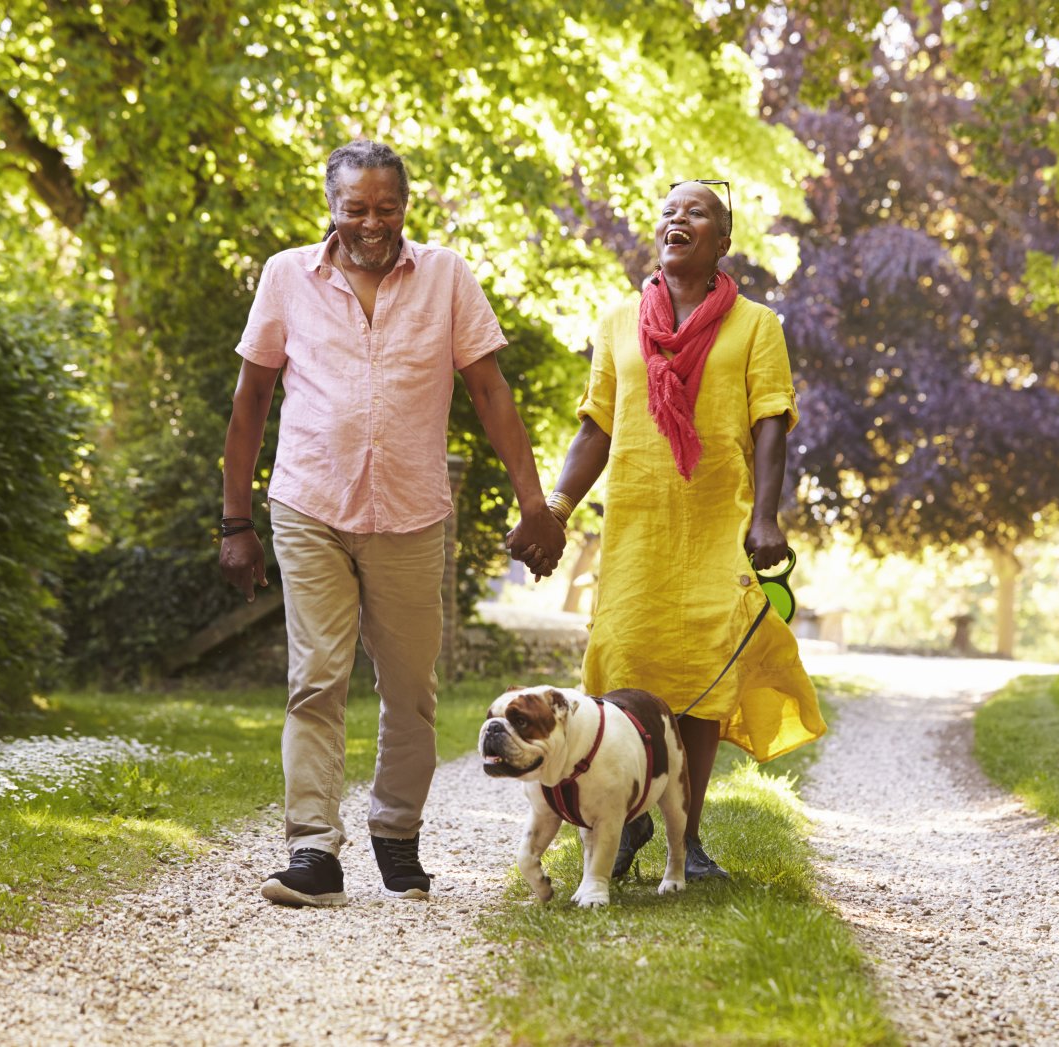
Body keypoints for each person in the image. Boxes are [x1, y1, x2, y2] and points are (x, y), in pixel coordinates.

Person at [220, 140, 565, 907]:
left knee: (411, 690)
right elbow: (250, 400)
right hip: (310, 504)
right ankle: (313, 850)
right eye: (356, 209)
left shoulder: (445, 276)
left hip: (410, 514)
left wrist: (533, 501)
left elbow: (489, 390)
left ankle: (396, 832)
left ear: (405, 206)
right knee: (316, 680)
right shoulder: (286, 276)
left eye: (386, 207)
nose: (372, 223)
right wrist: (234, 520)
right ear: (331, 209)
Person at [514, 180, 826, 880]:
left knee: (701, 683)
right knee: (624, 667)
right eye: (669, 210)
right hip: (637, 527)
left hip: (719, 523)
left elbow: (770, 421)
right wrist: (557, 509)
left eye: (698, 212)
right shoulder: (620, 321)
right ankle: (624, 821)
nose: (677, 218)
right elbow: (598, 423)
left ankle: (691, 838)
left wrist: (766, 516)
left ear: (722, 242)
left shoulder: (756, 325)